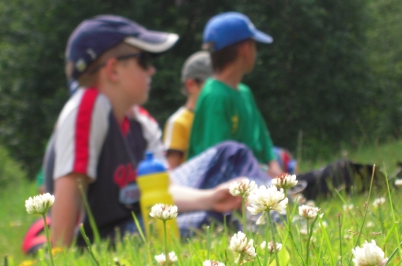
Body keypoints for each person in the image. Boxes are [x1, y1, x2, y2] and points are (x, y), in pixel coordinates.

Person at [40, 15, 256, 249]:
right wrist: (60, 258)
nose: (152, 70)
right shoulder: (88, 107)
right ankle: (271, 224)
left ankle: (272, 212)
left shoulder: (140, 120)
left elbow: (163, 190)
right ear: (113, 70)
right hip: (103, 238)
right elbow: (70, 191)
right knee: (212, 222)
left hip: (140, 217)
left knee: (232, 153)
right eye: (143, 61)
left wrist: (210, 198)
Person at [188, 12, 283, 178]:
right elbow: (219, 161)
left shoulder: (245, 92)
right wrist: (265, 174)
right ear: (245, 49)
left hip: (254, 176)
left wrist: (275, 169)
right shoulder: (215, 96)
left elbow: (264, 141)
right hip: (227, 184)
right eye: (254, 45)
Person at [163, 51, 212, 170]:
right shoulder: (178, 122)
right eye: (211, 85)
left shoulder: (215, 118)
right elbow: (171, 172)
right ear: (191, 85)